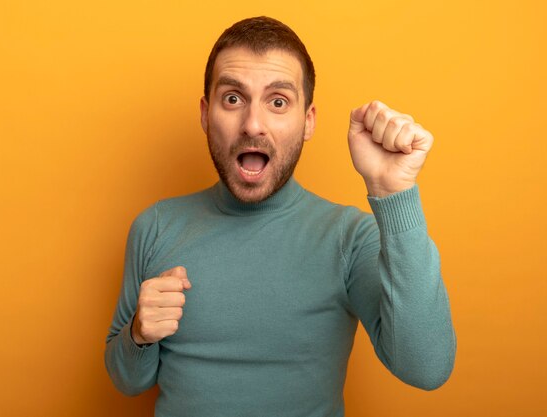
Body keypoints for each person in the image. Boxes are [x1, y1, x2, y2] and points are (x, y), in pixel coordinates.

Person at [105, 16, 456, 417]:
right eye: (233, 98)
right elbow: (127, 380)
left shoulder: (350, 238)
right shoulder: (155, 227)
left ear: (307, 121)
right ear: (205, 114)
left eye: (278, 102)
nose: (253, 124)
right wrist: (139, 334)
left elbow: (427, 368)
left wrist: (395, 193)